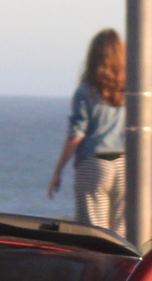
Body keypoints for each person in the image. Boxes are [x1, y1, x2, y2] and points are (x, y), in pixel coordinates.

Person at [49, 29, 128, 230]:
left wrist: (58, 170)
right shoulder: (129, 89)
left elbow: (77, 134)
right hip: (124, 164)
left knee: (94, 232)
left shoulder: (86, 91)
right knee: (120, 231)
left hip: (93, 163)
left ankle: (97, 263)